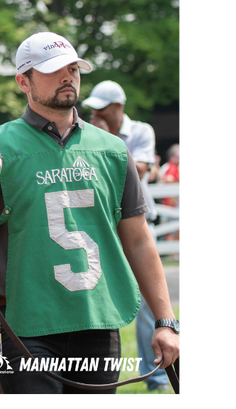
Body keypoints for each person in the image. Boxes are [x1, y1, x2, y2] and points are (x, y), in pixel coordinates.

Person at [0, 32, 181, 397]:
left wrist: (166, 322)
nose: (68, 77)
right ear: (23, 81)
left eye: (72, 68)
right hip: (21, 329)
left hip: (98, 323)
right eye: (53, 70)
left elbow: (139, 239)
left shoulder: (113, 151)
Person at [82, 81, 168, 391]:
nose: (96, 114)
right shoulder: (92, 132)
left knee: (148, 302)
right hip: (104, 224)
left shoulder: (141, 130)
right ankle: (100, 373)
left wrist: (105, 138)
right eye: (93, 110)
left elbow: (139, 169)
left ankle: (155, 375)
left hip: (136, 223)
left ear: (118, 107)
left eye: (102, 109)